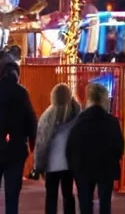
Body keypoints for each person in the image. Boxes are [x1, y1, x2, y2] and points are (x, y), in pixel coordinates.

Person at [0, 58, 38, 214]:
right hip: (15, 151)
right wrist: (32, 145)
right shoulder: (21, 92)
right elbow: (31, 121)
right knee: (12, 197)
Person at [65, 82, 125, 214]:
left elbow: (71, 146)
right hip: (106, 168)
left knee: (85, 203)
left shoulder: (79, 121)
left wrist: (73, 167)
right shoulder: (112, 122)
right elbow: (119, 146)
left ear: (89, 98)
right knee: (105, 203)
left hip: (83, 168)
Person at [34, 83, 82, 214]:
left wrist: (38, 165)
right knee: (68, 195)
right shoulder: (78, 116)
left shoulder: (46, 117)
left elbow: (41, 144)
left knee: (51, 197)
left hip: (51, 165)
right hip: (69, 164)